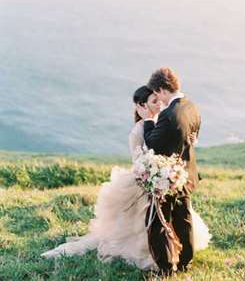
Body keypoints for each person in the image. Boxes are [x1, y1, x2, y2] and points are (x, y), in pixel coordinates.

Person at [41, 86, 160, 270]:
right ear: (141, 107)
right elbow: (138, 162)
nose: (159, 104)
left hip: (156, 178)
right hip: (143, 180)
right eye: (154, 101)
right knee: (131, 228)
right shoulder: (138, 131)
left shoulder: (157, 123)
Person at [136, 67, 210, 274]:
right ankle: (186, 261)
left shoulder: (169, 115)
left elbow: (152, 144)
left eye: (157, 93)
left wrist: (149, 120)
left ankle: (166, 267)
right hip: (186, 172)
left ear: (161, 89)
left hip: (168, 177)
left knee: (158, 220)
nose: (158, 99)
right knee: (183, 218)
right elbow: (194, 135)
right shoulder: (192, 106)